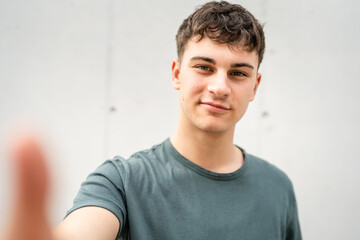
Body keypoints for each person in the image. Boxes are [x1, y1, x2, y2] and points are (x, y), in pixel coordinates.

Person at [2, 1, 302, 239]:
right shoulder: (121, 182)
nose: (220, 87)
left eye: (238, 73)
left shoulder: (277, 188)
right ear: (176, 74)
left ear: (255, 87)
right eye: (204, 67)